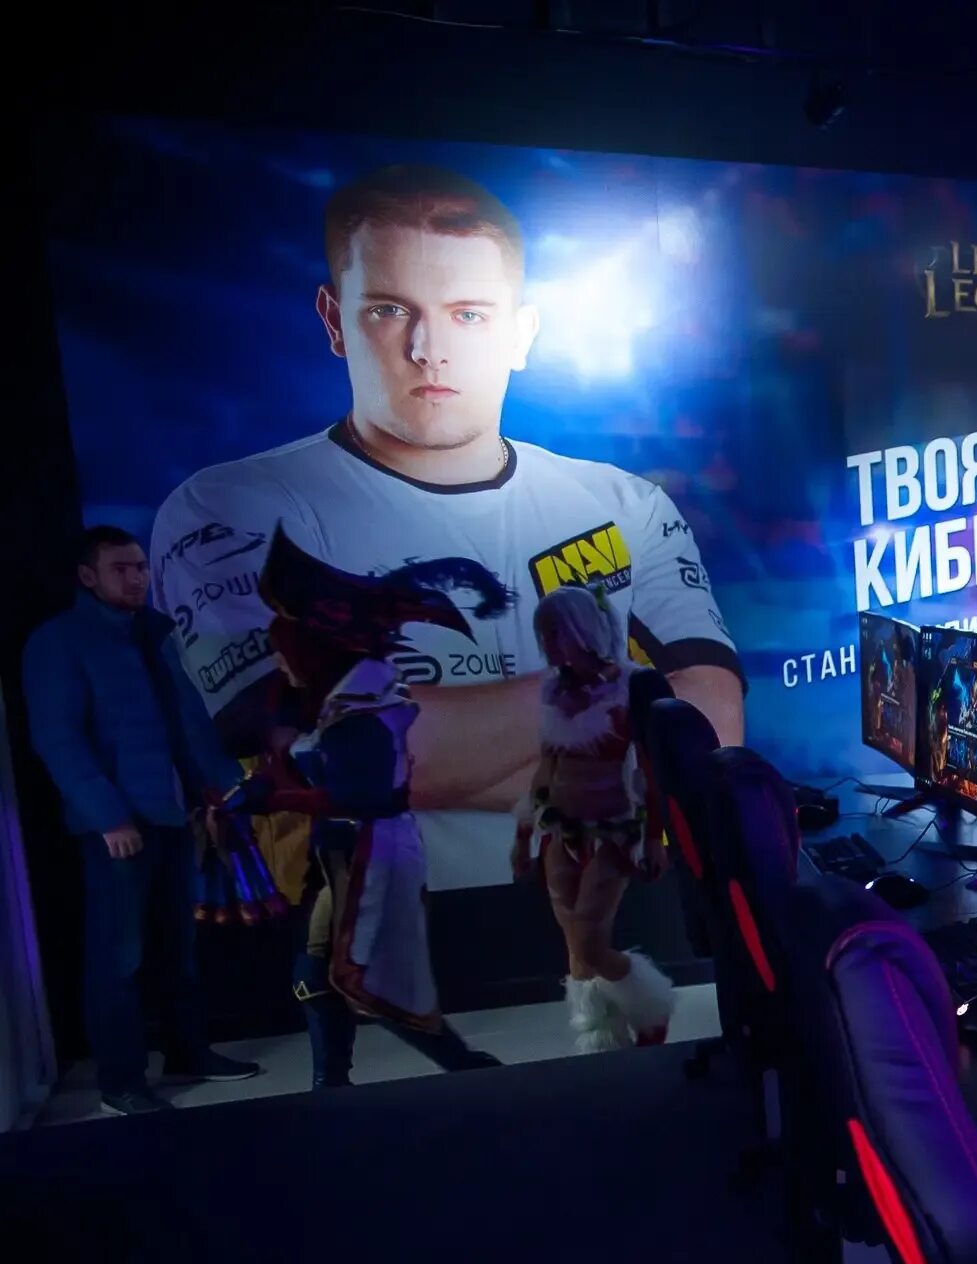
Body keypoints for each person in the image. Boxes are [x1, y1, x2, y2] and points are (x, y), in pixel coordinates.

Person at [148, 162, 745, 892]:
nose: (429, 348)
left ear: (521, 333)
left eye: (468, 314)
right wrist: (625, 700)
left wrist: (447, 746)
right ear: (335, 320)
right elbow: (347, 758)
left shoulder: (625, 504)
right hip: (375, 939)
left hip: (620, 918)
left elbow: (711, 731)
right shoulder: (231, 507)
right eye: (389, 310)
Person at [238, 527, 504, 1086]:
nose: (278, 663)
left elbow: (363, 796)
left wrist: (274, 796)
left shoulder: (364, 712)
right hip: (346, 854)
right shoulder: (337, 704)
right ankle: (335, 1084)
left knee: (367, 979)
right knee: (325, 976)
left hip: (374, 854)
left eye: (284, 652)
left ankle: (461, 1067)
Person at [22, 527, 262, 1114]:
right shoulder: (59, 642)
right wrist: (108, 818)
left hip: (172, 814)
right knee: (118, 959)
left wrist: (216, 790)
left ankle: (187, 1052)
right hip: (118, 827)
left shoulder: (154, 633)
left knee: (177, 948)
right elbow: (58, 739)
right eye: (121, 569)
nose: (136, 578)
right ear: (88, 576)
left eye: (139, 567)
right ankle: (121, 1082)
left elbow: (186, 722)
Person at [513, 587, 675, 1051]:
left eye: (553, 633)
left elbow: (655, 769)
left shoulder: (636, 685)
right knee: (575, 947)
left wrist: (655, 838)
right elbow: (547, 766)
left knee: (589, 943)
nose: (546, 644)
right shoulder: (554, 688)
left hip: (613, 831)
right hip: (558, 830)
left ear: (579, 630)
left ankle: (652, 1012)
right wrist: (522, 835)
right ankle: (603, 1043)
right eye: (542, 634)